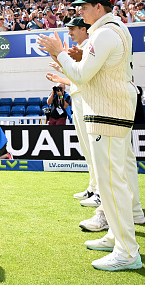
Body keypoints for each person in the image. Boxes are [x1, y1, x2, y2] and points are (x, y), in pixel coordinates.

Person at [37, 0, 144, 271]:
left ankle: (127, 252)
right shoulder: (111, 30)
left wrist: (60, 54)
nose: (80, 13)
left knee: (111, 185)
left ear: (99, 7)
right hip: (111, 111)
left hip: (108, 113)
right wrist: (74, 56)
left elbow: (82, 76)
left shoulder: (105, 32)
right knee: (113, 182)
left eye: (84, 8)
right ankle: (116, 237)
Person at [45, 17, 102, 213]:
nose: (69, 33)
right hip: (77, 97)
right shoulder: (83, 47)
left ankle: (99, 192)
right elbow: (75, 77)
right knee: (87, 148)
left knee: (93, 147)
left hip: (86, 99)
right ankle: (93, 187)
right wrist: (59, 75)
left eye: (72, 29)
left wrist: (57, 54)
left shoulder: (88, 47)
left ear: (83, 29)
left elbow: (82, 75)